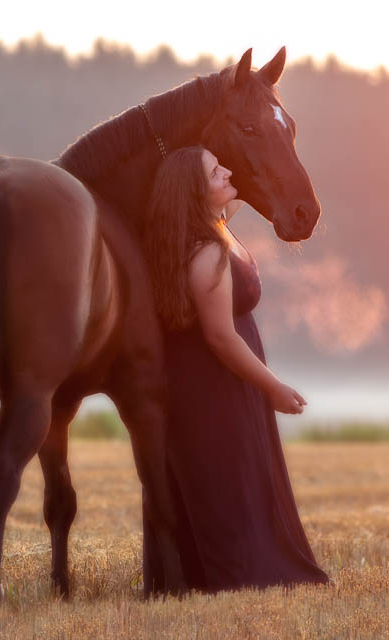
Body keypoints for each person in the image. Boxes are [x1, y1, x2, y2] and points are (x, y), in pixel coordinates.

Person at [140, 145, 329, 593]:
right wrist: (273, 388)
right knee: (224, 483)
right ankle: (230, 577)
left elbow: (246, 175)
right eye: (214, 171)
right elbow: (221, 338)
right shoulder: (205, 254)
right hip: (210, 388)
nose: (227, 169)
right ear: (192, 192)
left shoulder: (219, 227)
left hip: (230, 381)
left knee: (245, 478)